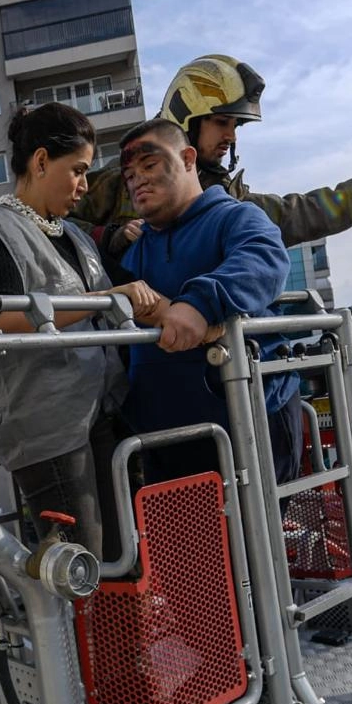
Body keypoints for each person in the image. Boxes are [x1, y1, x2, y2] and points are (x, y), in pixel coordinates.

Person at [0, 101, 162, 562]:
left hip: (100, 409)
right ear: (41, 161)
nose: (84, 186)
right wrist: (105, 299)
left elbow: (129, 294)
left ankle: (116, 614)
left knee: (124, 555)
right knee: (82, 562)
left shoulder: (76, 236)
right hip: (45, 428)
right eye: (78, 170)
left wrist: (193, 315)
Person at [71, 54, 352, 274]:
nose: (231, 136)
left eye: (235, 126)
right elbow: (49, 222)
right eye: (221, 123)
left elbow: (300, 214)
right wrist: (107, 238)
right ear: (186, 118)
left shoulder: (227, 200)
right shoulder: (118, 183)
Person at [114, 116, 300, 485]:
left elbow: (264, 258)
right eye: (130, 175)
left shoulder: (235, 216)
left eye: (149, 165)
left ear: (187, 159)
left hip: (247, 422)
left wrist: (200, 303)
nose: (138, 181)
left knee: (254, 523)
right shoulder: (134, 254)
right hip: (164, 438)